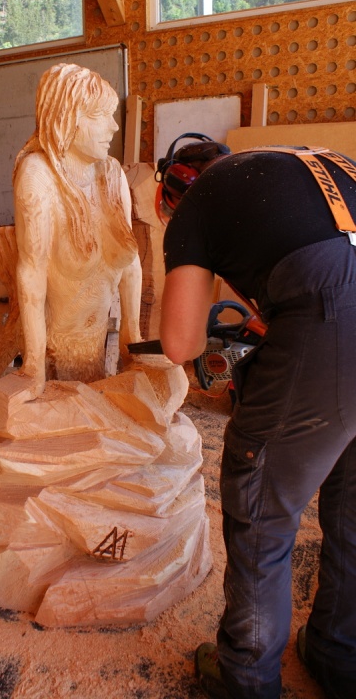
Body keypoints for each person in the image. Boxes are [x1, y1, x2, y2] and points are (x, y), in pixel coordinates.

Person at [159, 143, 356, 699]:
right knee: (352, 510)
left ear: (167, 194)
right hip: (337, 304)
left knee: (261, 507)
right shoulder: (306, 165)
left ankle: (245, 677)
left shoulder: (196, 203)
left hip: (332, 319)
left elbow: (179, 344)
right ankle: (338, 653)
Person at [12, 62, 142, 397]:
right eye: (100, 115)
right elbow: (32, 273)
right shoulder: (38, 176)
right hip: (54, 357)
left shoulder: (111, 173)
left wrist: (133, 338)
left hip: (98, 349)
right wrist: (34, 366)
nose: (114, 127)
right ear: (66, 117)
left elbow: (131, 263)